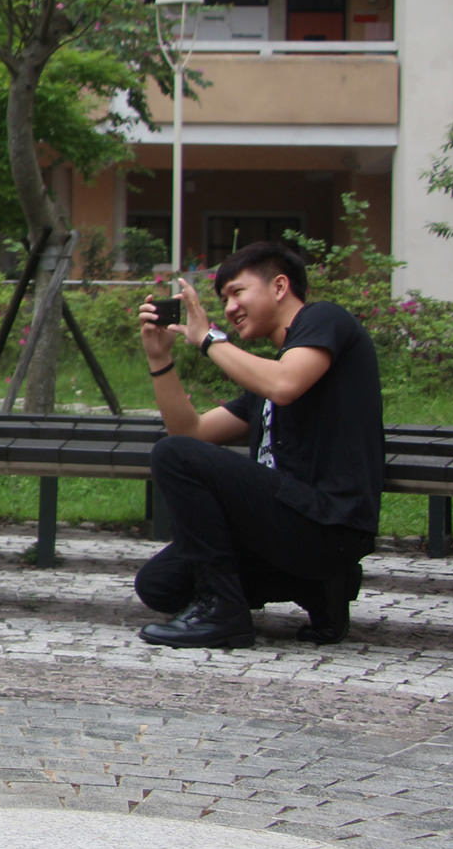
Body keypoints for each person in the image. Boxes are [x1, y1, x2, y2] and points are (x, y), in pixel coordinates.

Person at [135, 241, 383, 649]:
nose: (230, 308)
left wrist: (209, 338)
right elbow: (190, 434)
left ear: (280, 286)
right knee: (161, 585)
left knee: (172, 456)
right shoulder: (265, 381)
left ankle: (223, 613)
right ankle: (319, 586)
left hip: (329, 523)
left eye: (237, 292)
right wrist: (159, 359)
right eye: (223, 299)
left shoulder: (325, 318)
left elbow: (285, 384)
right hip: (283, 525)